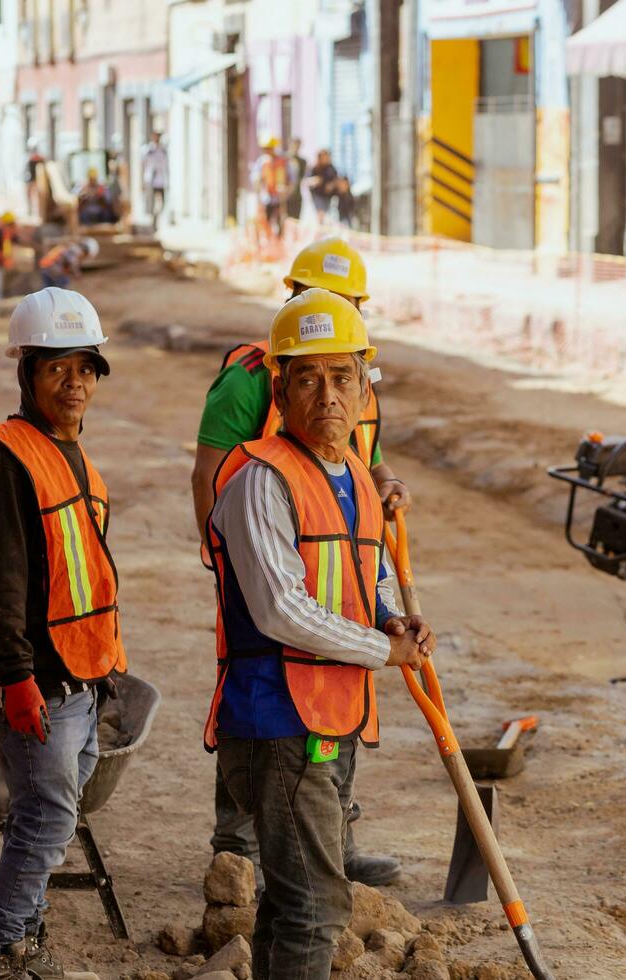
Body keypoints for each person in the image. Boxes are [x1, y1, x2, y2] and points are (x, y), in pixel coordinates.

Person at [204, 288, 435, 979]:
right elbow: (282, 610)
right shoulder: (260, 480)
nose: (327, 394)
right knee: (317, 906)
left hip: (322, 721)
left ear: (365, 389)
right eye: (308, 377)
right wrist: (381, 649)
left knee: (290, 900)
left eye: (341, 377)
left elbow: (371, 571)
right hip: (275, 727)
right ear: (280, 389)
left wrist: (392, 614)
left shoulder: (355, 475)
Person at [191, 237, 408, 888]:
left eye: (346, 304)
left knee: (333, 703)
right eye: (319, 297)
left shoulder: (356, 376)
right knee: (268, 690)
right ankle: (238, 849)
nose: (332, 312)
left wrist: (382, 482)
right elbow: (212, 474)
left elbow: (358, 457)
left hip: (336, 553)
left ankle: (332, 839)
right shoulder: (254, 379)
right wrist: (225, 555)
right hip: (271, 544)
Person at [0, 287, 124, 980]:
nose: (74, 382)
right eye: (57, 367)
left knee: (49, 816)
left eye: (85, 367)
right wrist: (17, 678)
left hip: (82, 676)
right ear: (26, 371)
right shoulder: (4, 460)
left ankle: (23, 939)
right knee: (48, 820)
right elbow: (1, 583)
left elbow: (82, 569)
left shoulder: (71, 453)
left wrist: (106, 670)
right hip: (40, 683)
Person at [255, 138, 287, 240]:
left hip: (279, 197)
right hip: (266, 197)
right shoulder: (262, 161)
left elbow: (291, 177)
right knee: (266, 220)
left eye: (268, 148)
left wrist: (287, 189)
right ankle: (269, 240)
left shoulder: (282, 161)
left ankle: (278, 240)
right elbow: (255, 177)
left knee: (279, 220)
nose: (266, 151)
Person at [141, 131, 168, 229]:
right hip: (150, 180)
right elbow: (143, 165)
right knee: (151, 203)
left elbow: (165, 166)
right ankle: (152, 221)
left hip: (160, 180)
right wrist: (142, 182)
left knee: (161, 203)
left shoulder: (163, 150)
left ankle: (156, 217)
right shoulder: (147, 150)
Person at [306, 149, 338, 222]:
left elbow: (336, 180)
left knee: (327, 215)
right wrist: (315, 180)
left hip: (328, 197)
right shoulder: (314, 169)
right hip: (317, 195)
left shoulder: (332, 169)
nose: (326, 159)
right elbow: (307, 181)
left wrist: (331, 185)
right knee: (320, 214)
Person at [285, 137, 307, 221]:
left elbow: (301, 178)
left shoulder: (302, 161)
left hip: (296, 195)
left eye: (297, 146)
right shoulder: (283, 160)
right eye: (293, 145)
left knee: (296, 220)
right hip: (285, 196)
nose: (295, 148)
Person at [24, 141, 45, 219]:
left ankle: (38, 211)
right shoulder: (30, 158)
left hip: (38, 180)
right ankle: (31, 210)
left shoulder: (40, 158)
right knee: (29, 194)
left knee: (38, 196)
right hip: (31, 179)